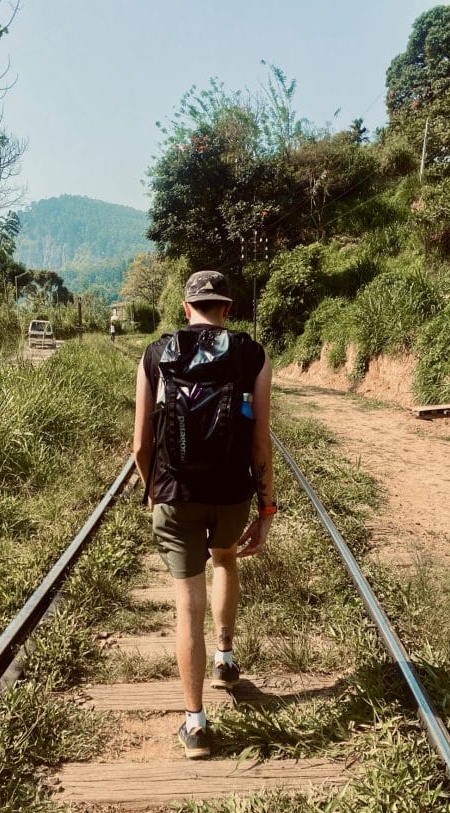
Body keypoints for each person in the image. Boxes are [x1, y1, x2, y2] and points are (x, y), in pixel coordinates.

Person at [133, 270, 275, 759]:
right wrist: (267, 505)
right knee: (226, 560)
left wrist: (154, 490)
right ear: (227, 309)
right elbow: (260, 439)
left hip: (175, 491)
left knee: (186, 601)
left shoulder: (155, 354)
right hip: (233, 493)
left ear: (185, 308)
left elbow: (139, 444)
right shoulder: (251, 353)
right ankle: (225, 656)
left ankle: (195, 723)